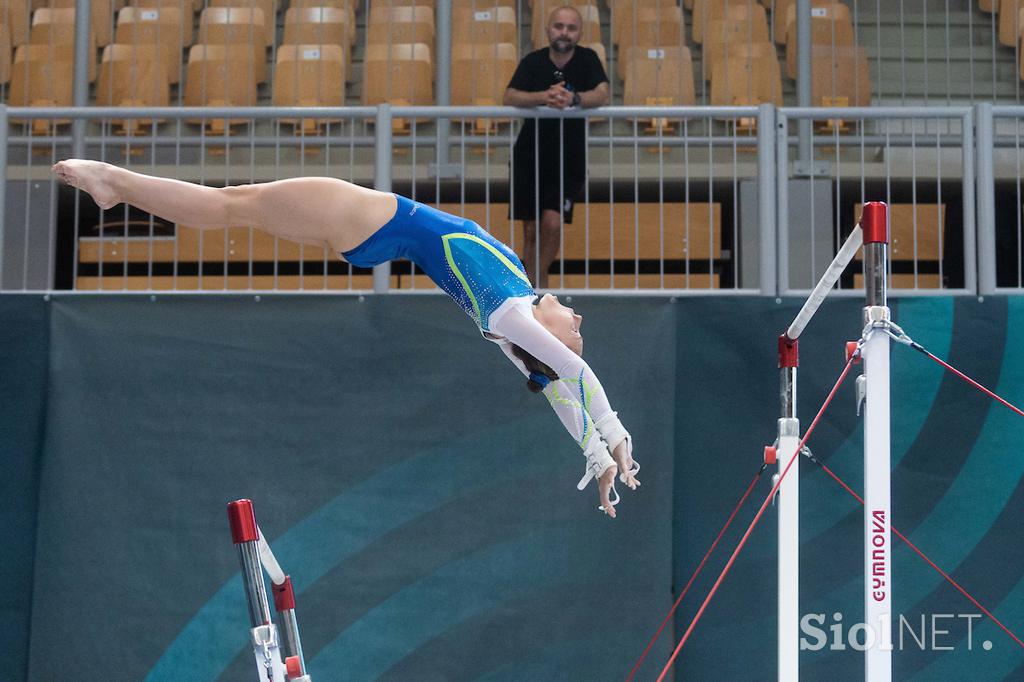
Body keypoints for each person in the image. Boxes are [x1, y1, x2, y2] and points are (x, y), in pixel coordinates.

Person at [52, 159, 640, 517]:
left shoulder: (510, 314)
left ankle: (116, 183)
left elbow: (572, 378)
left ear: (543, 335)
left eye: (573, 335)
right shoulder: (515, 307)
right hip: (377, 229)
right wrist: (597, 450)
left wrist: (613, 432)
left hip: (373, 218)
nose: (580, 322)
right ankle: (118, 185)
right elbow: (563, 389)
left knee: (233, 203)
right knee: (234, 206)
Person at [503, 5, 609, 289]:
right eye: (559, 26)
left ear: (579, 32)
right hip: (530, 154)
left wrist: (574, 100)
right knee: (531, 230)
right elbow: (509, 95)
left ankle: (534, 286)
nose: (564, 32)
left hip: (567, 157)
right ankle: (536, 289)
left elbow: (602, 93)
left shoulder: (588, 59)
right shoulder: (533, 61)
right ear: (549, 29)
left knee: (551, 222)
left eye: (571, 28)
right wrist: (545, 96)